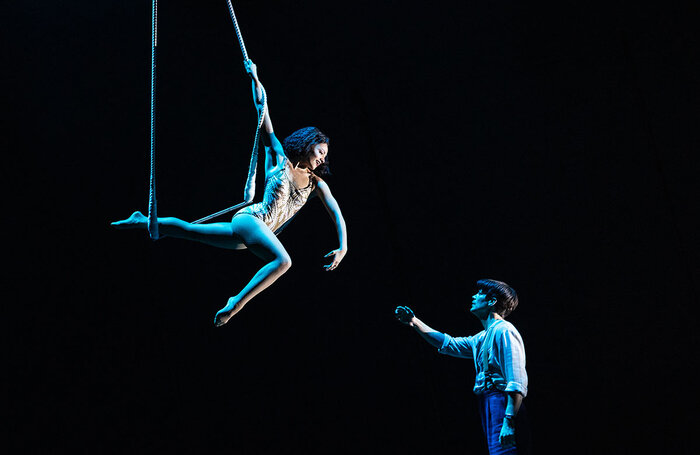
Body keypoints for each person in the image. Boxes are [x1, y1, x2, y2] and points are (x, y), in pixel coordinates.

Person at [112, 60, 348, 327]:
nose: (322, 158)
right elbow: (263, 113)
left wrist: (343, 246)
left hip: (256, 234)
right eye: (321, 151)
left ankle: (141, 219)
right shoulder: (277, 158)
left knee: (190, 231)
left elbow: (337, 214)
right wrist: (255, 79)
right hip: (251, 220)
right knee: (283, 261)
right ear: (307, 144)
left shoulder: (316, 185)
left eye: (325, 156)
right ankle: (235, 302)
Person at [394, 279, 529, 455]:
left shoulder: (505, 331)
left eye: (479, 293)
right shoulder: (481, 337)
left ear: (492, 301)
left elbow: (517, 380)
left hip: (503, 403)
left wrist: (509, 420)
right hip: (488, 402)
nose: (474, 296)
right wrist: (414, 321)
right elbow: (449, 344)